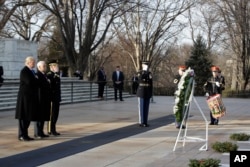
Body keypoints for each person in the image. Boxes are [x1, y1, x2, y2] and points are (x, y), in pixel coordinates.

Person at [15, 56, 39, 141]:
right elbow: (29, 82)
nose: (34, 64)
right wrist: (36, 80)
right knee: (23, 117)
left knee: (28, 117)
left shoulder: (32, 71)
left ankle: (25, 134)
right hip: (24, 98)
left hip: (30, 98)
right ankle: (22, 135)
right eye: (33, 62)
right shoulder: (24, 71)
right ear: (28, 62)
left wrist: (36, 80)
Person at [34, 61, 51, 138]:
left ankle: (41, 132)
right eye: (43, 66)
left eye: (45, 66)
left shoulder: (45, 75)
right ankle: (38, 132)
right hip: (40, 99)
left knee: (43, 116)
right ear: (39, 67)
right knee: (39, 117)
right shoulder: (37, 75)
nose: (45, 67)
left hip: (45, 98)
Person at [47, 60, 61, 136]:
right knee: (51, 115)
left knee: (56, 114)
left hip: (57, 98)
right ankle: (50, 130)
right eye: (56, 66)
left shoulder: (57, 75)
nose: (57, 67)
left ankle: (54, 129)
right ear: (52, 67)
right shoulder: (49, 75)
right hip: (52, 98)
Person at [137, 61, 153, 127]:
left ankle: (145, 122)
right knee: (142, 107)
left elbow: (151, 83)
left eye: (147, 65)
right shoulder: (140, 72)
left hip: (147, 91)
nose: (146, 66)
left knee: (146, 108)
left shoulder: (149, 73)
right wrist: (144, 71)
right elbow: (140, 78)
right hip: (141, 92)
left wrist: (151, 92)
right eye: (145, 65)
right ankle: (141, 122)